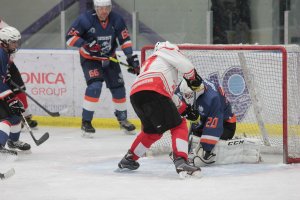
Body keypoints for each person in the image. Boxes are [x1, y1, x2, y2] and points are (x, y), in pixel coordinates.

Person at [118, 41, 203, 178]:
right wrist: (194, 79)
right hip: (154, 91)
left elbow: (168, 98)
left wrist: (185, 109)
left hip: (136, 94)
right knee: (179, 125)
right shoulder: (167, 49)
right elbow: (186, 66)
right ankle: (181, 161)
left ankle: (129, 158)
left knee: (152, 131)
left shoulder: (152, 63)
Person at [66, 0, 140, 137]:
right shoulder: (84, 20)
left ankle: (122, 119)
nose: (104, 11)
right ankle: (86, 122)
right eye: (101, 8)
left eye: (107, 8)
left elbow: (124, 40)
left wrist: (130, 58)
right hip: (90, 59)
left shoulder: (117, 19)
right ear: (95, 8)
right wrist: (86, 43)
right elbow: (69, 38)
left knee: (118, 88)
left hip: (109, 58)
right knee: (95, 86)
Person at [176, 78, 261, 166]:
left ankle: (233, 143)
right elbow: (175, 98)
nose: (186, 98)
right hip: (203, 120)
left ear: (197, 91)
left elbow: (214, 127)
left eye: (188, 95)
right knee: (193, 139)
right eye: (185, 95)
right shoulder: (186, 85)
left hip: (225, 124)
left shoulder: (212, 98)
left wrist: (206, 149)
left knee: (209, 146)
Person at [0, 19, 38, 129]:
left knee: (19, 88)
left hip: (7, 63)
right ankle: (11, 117)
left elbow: (11, 47)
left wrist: (6, 65)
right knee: (4, 90)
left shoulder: (5, 26)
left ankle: (25, 117)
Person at [0, 26, 31, 157]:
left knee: (15, 112)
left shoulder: (4, 53)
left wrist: (5, 76)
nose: (16, 44)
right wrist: (10, 98)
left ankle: (13, 141)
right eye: (13, 42)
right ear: (5, 42)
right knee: (5, 117)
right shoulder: (0, 54)